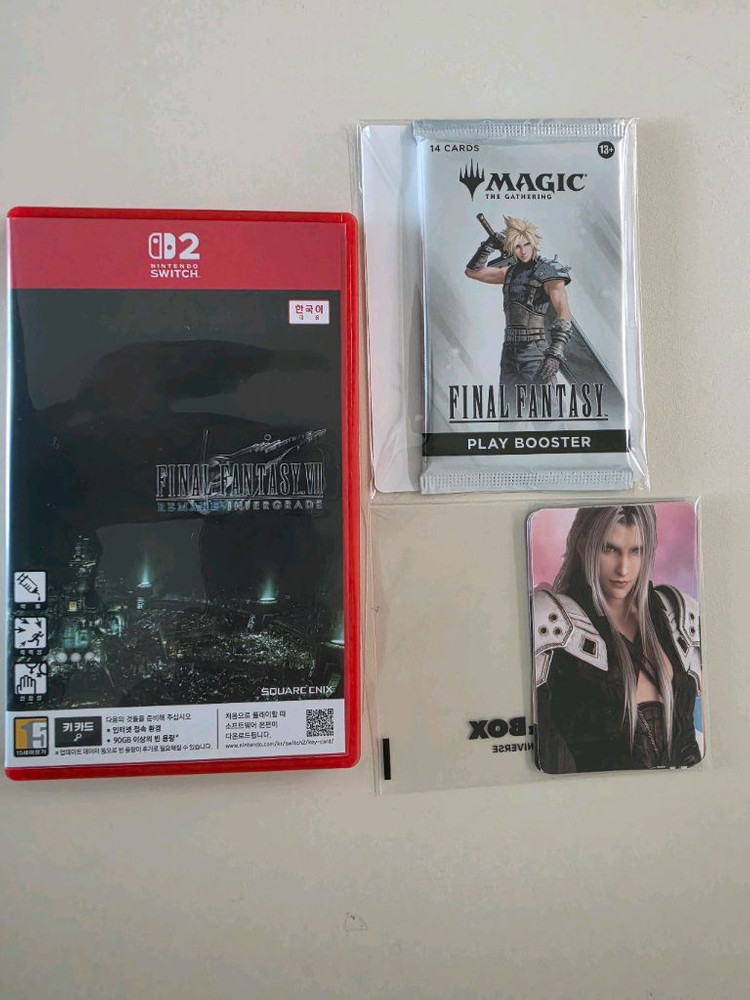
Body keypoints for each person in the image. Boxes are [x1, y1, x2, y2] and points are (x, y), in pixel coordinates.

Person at [533, 505, 703, 774]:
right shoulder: (552, 625)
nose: (623, 568)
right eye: (609, 549)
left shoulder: (678, 616)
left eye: (636, 551)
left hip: (687, 791)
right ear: (584, 546)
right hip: (593, 795)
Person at [465, 216, 572, 385]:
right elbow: (472, 272)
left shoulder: (548, 271)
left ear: (534, 243)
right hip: (509, 349)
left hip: (535, 349)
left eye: (527, 244)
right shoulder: (509, 272)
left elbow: (563, 313)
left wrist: (555, 351)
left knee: (544, 400)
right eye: (517, 246)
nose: (523, 251)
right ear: (511, 247)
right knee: (509, 400)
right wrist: (488, 246)